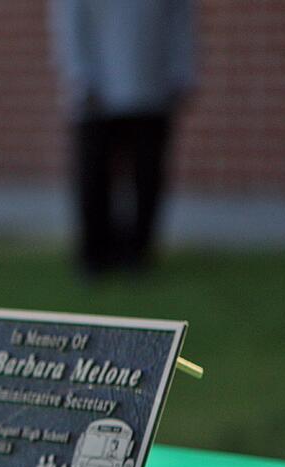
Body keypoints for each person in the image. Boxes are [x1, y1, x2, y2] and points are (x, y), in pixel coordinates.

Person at [48, 0, 197, 276]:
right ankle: (94, 254)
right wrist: (79, 76)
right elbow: (69, 20)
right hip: (95, 92)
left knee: (147, 174)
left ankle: (137, 254)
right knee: (93, 175)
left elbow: (180, 21)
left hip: (152, 87)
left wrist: (182, 73)